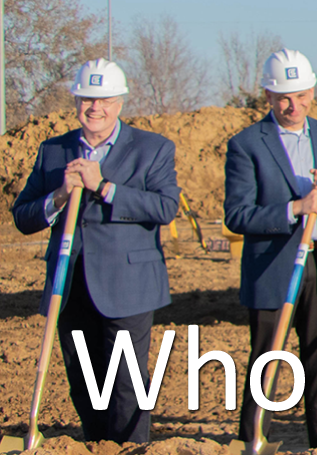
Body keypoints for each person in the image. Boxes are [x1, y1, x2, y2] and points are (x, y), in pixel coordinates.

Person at [10, 59, 179, 443]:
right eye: (87, 99)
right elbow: (23, 217)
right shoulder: (53, 150)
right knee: (85, 384)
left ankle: (131, 450)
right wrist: (59, 195)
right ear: (76, 101)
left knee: (126, 383)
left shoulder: (152, 148)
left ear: (120, 103)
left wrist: (105, 188)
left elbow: (164, 208)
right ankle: (95, 447)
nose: (95, 108)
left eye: (104, 100)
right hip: (70, 284)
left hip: (128, 283)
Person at [224, 49, 317, 447]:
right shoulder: (247, 144)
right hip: (274, 268)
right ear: (267, 96)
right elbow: (236, 214)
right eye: (284, 97)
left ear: (313, 91)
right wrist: (294, 208)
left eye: (302, 96)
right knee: (266, 361)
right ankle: (252, 438)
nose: (294, 105)